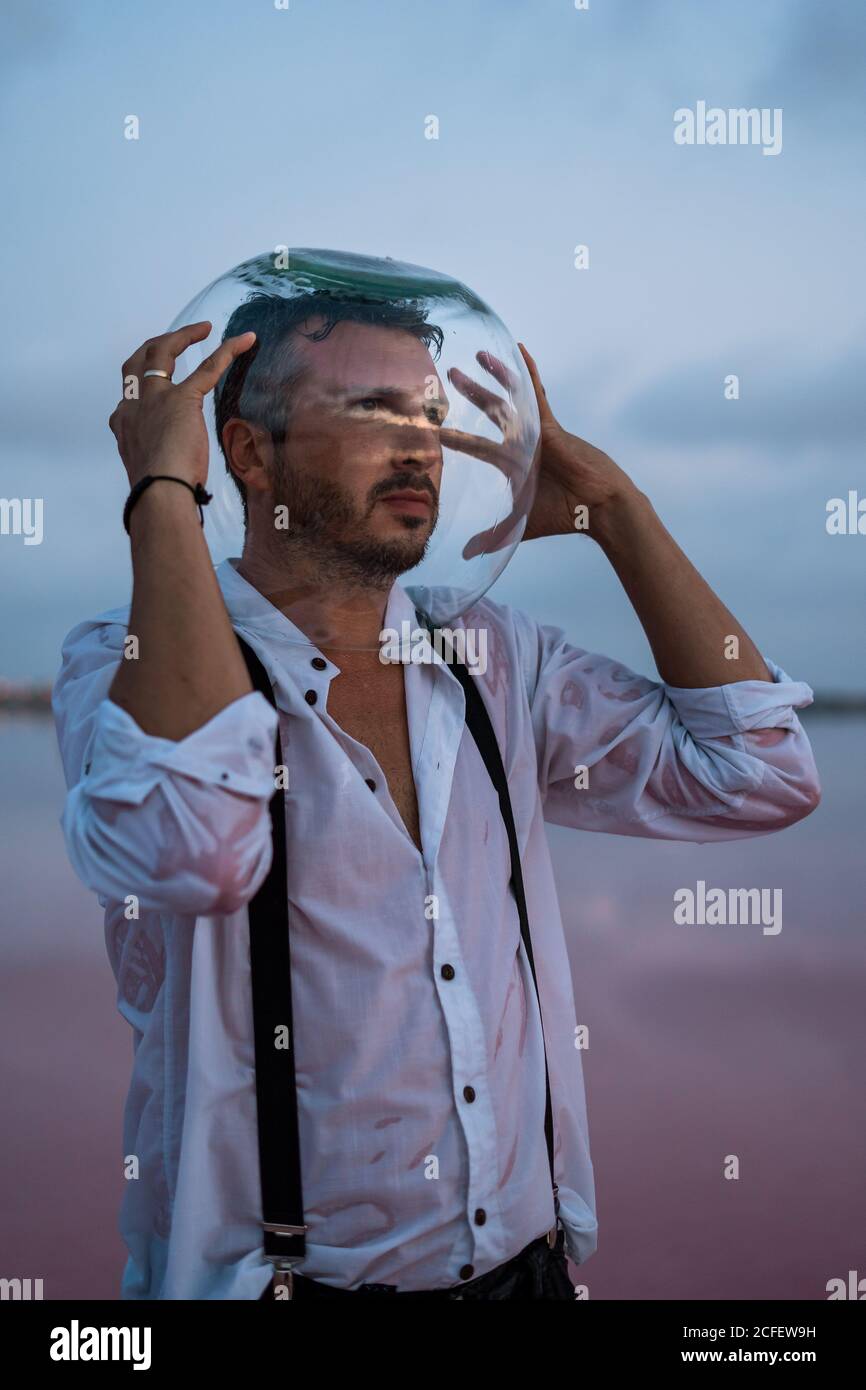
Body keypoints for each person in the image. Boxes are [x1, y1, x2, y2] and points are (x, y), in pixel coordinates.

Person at [52, 291, 821, 1300]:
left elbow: (760, 771)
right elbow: (190, 850)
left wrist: (614, 511)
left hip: (530, 1276)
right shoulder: (122, 659)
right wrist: (160, 490)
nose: (418, 449)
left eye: (426, 417)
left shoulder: (490, 653)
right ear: (247, 452)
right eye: (373, 414)